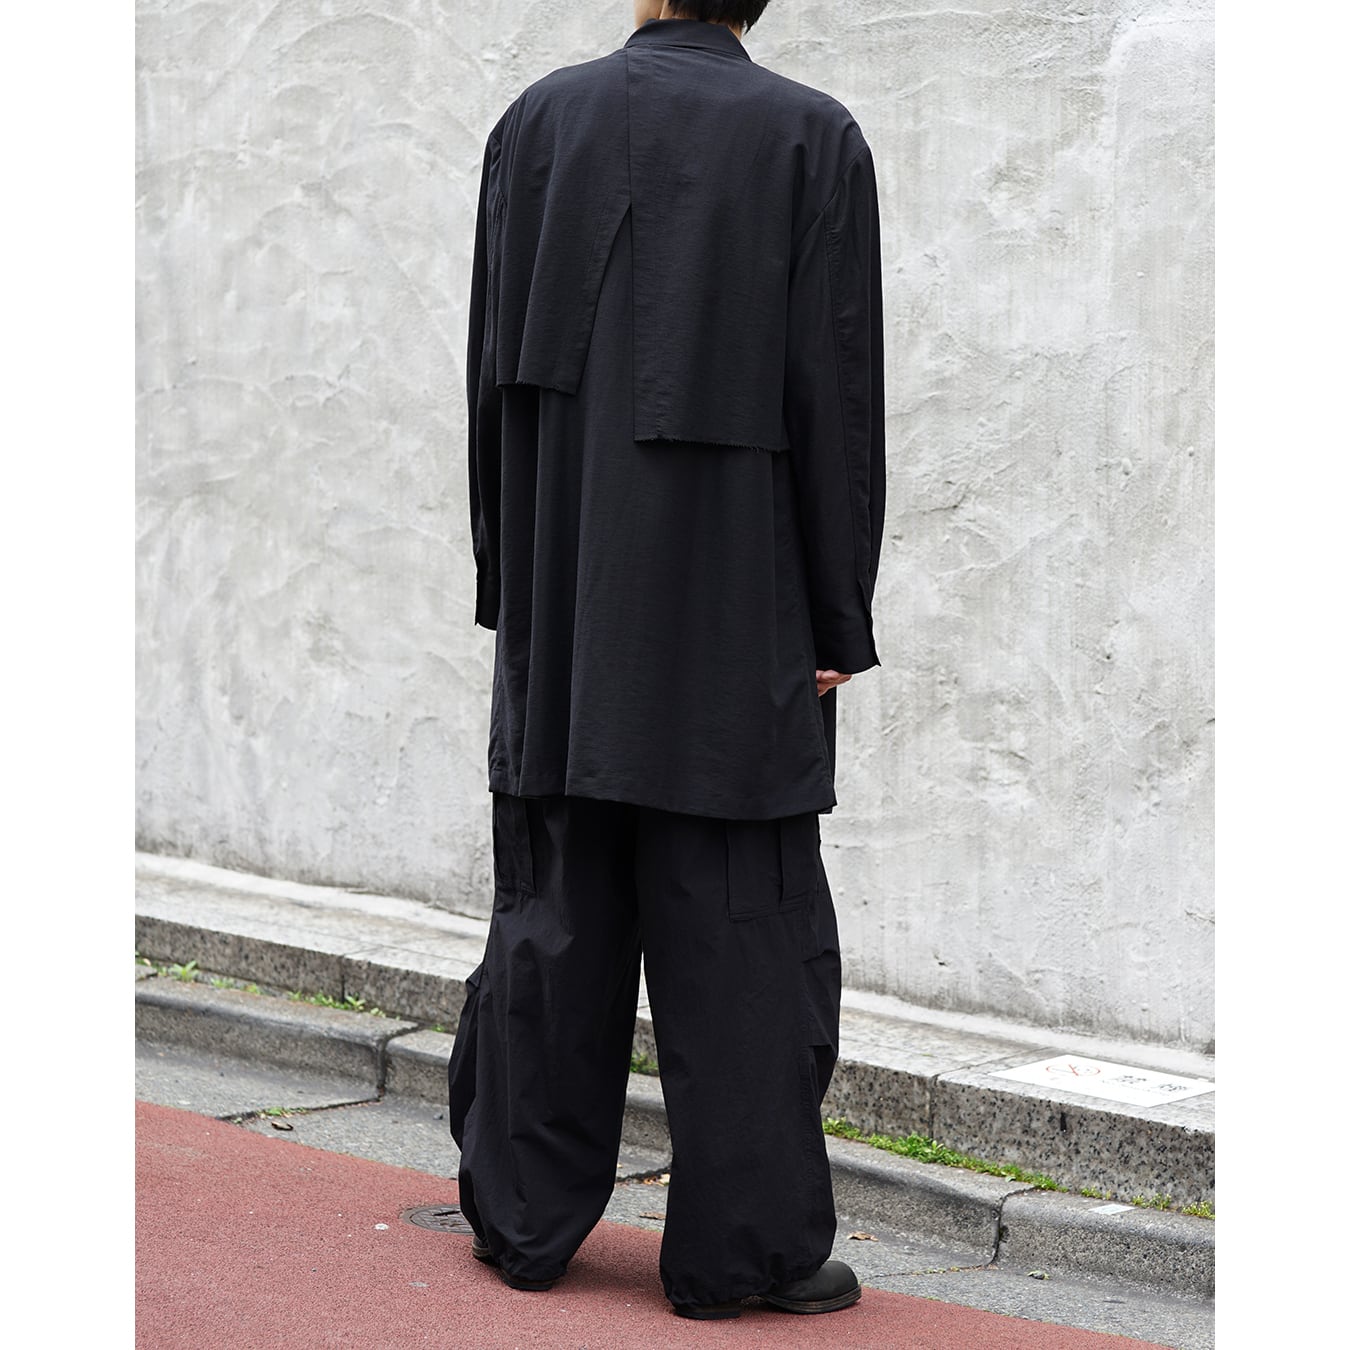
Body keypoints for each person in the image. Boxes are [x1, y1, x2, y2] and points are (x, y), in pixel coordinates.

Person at [448, 0, 886, 1322]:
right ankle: (740, 1252)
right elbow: (834, 391)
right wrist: (833, 619)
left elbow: (489, 375)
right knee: (741, 925)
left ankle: (525, 1218)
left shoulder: (537, 124)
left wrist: (510, 586)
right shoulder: (811, 139)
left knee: (553, 907)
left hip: (568, 596)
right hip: (735, 610)